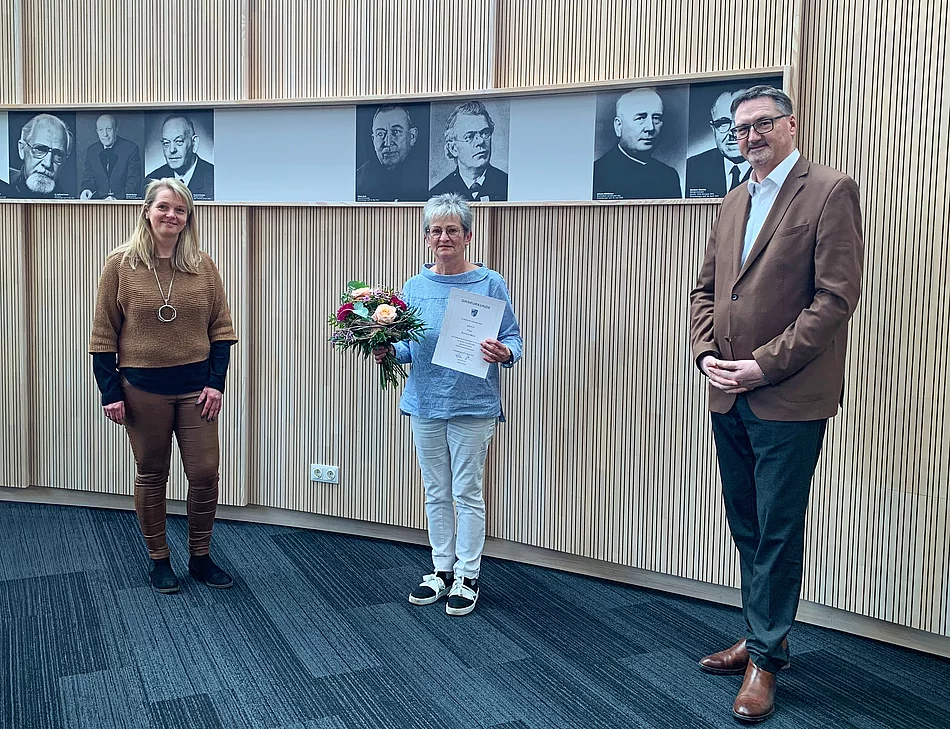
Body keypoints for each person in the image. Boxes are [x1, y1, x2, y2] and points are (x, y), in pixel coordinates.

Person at [688, 86, 863, 722]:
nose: (751, 137)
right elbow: (706, 290)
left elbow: (835, 299)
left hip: (787, 394)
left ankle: (764, 661)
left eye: (763, 124)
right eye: (741, 129)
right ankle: (764, 634)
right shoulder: (735, 197)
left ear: (791, 125)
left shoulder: (830, 190)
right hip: (727, 392)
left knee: (778, 530)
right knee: (748, 524)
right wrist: (706, 354)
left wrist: (763, 364)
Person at [373, 193, 522, 615]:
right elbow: (410, 346)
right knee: (435, 490)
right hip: (425, 403)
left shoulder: (490, 283)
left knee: (467, 491)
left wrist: (505, 353)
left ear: (467, 236)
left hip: (472, 405)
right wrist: (388, 350)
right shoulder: (414, 287)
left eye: (452, 230)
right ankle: (441, 569)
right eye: (435, 230)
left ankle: (468, 575)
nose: (443, 237)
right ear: (426, 238)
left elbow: (513, 338)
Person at [89, 178, 238, 594]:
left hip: (197, 389)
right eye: (164, 207)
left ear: (188, 218)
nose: (171, 215)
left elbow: (221, 330)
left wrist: (216, 384)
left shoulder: (202, 265)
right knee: (152, 473)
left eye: (180, 210)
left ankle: (200, 557)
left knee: (204, 473)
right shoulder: (120, 265)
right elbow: (103, 334)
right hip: (142, 389)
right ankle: (159, 559)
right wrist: (110, 392)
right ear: (147, 211)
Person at [592, 88, 681, 200]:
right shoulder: (597, 173)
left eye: (656, 118)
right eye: (641, 118)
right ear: (618, 126)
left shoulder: (669, 176)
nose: (650, 128)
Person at [429, 101, 508, 201]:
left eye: (485, 133)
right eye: (470, 137)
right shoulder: (437, 195)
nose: (480, 141)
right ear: (453, 148)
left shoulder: (507, 184)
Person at [686, 89, 752, 198]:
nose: (733, 133)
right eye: (723, 123)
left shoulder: (770, 166)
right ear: (713, 129)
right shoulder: (692, 167)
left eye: (741, 123)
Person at [355, 105, 428, 202]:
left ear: (412, 137)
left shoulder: (428, 176)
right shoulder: (359, 180)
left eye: (396, 132)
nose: (388, 142)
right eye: (380, 134)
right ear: (373, 140)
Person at [145, 115, 214, 200]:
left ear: (194, 143)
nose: (172, 150)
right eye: (166, 143)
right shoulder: (152, 180)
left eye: (179, 141)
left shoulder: (213, 177)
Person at [6, 113, 73, 199]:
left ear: (64, 161)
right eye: (40, 149)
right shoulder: (4, 185)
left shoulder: (70, 202)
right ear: (21, 149)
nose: (47, 164)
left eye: (57, 155)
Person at [80, 114, 144, 200]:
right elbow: (88, 179)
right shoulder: (92, 150)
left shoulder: (131, 148)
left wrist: (116, 199)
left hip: (123, 202)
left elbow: (134, 182)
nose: (105, 134)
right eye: (101, 130)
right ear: (97, 131)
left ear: (116, 130)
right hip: (99, 202)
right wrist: (86, 190)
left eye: (108, 129)